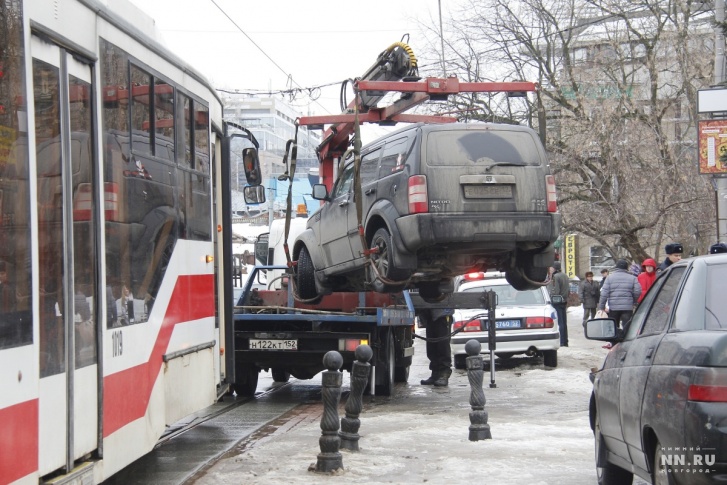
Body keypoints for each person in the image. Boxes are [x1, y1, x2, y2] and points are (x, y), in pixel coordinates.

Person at [597, 259, 641, 330]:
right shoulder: (633, 278)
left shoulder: (609, 278)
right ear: (626, 268)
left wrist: (601, 307)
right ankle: (626, 340)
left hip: (614, 307)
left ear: (616, 267)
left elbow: (604, 293)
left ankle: (615, 341)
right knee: (627, 328)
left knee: (614, 328)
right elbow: (638, 291)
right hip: (627, 307)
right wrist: (633, 301)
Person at [419, 308, 454, 387]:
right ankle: (435, 374)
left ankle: (444, 373)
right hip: (430, 315)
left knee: (442, 345)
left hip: (443, 315)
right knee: (431, 347)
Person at [548, 262, 570, 347]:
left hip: (557, 301)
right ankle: (565, 341)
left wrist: (550, 297)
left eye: (551, 268)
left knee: (559, 323)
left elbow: (555, 291)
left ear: (554, 268)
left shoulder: (555, 277)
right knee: (564, 322)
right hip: (564, 301)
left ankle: (561, 341)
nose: (550, 269)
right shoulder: (565, 276)